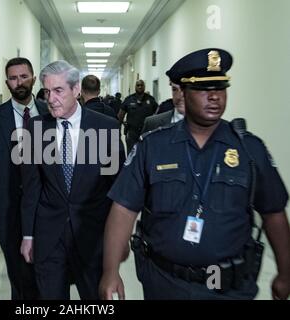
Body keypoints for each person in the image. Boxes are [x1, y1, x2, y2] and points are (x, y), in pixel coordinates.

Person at [99, 48, 290, 300]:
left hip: (229, 287)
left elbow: (273, 213)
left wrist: (285, 273)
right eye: (203, 89)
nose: (214, 97)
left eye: (220, 88)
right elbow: (123, 209)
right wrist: (110, 272)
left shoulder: (249, 149)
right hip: (164, 281)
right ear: (183, 93)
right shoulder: (153, 146)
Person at [20, 60, 125, 300]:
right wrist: (28, 235)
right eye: (47, 92)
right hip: (49, 237)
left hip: (92, 237)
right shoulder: (35, 128)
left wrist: (118, 239)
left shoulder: (105, 128)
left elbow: (117, 191)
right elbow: (31, 188)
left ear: (76, 90)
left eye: (58, 91)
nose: (51, 98)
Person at [0, 57, 48, 300]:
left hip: (45, 205)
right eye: (13, 78)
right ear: (7, 83)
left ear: (34, 79)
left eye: (24, 76)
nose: (19, 82)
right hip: (7, 206)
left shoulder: (51, 113)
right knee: (18, 270)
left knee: (46, 268)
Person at [118, 80, 158, 153]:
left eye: (141, 85)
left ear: (144, 87)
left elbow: (157, 114)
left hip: (147, 133)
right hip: (132, 133)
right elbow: (120, 115)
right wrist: (118, 130)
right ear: (135, 87)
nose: (140, 87)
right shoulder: (129, 99)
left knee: (146, 155)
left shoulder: (150, 99)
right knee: (132, 155)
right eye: (138, 85)